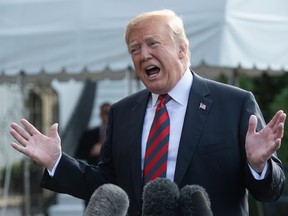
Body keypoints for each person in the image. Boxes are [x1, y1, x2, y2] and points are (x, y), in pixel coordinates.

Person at [9, 9, 286, 216]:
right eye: (134, 49)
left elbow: (269, 191)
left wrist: (258, 165)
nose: (143, 55)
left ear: (182, 49)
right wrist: (57, 162)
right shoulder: (123, 112)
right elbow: (107, 183)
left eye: (153, 43)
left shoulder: (234, 104)